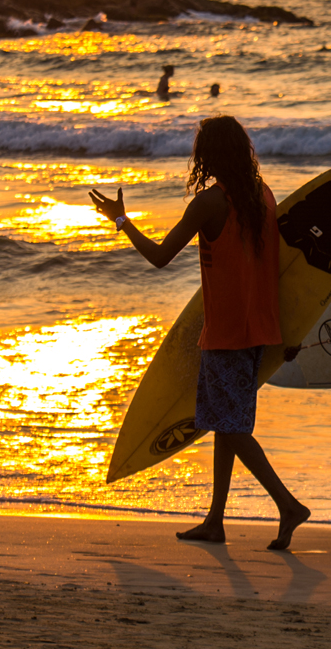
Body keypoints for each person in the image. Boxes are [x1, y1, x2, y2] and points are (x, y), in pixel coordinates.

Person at [88, 116, 312, 550]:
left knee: (231, 428)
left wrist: (121, 221)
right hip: (259, 331)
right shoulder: (262, 198)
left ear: (208, 155)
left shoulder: (209, 204)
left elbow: (159, 257)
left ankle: (287, 505)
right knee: (224, 424)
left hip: (227, 332)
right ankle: (215, 519)